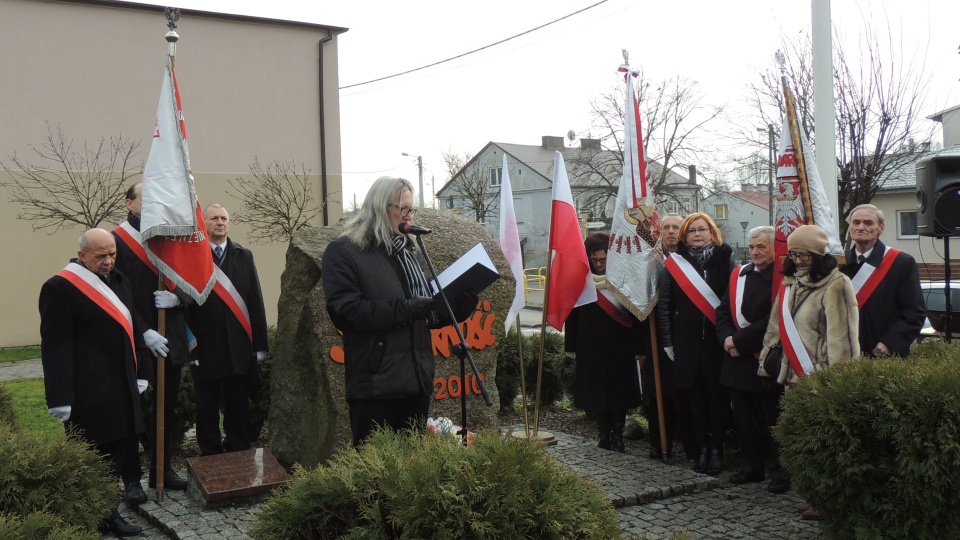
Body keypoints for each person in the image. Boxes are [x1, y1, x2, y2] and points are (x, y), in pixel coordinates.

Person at [322, 177, 478, 446]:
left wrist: (455, 309)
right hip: (375, 388)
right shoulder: (344, 252)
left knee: (412, 474)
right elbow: (346, 312)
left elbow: (422, 315)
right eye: (402, 209)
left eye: (411, 209)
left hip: (416, 383)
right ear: (381, 208)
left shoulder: (409, 253)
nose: (409, 216)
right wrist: (406, 308)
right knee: (376, 475)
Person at [39, 228, 149, 537]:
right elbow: (55, 346)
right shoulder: (59, 288)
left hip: (122, 385)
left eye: (113, 254)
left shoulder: (121, 281)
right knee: (95, 456)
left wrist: (143, 372)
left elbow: (133, 328)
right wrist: (59, 396)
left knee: (120, 451)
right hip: (88, 392)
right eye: (101, 256)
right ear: (83, 254)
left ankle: (107, 509)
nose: (109, 261)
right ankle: (105, 515)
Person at [759, 224, 860, 520]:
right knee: (803, 440)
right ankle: (814, 494)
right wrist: (766, 361)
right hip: (792, 377)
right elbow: (776, 326)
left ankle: (828, 500)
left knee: (825, 442)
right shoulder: (789, 284)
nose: (799, 260)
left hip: (821, 376)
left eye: (804, 254)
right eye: (794, 254)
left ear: (818, 254)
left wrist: (839, 379)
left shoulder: (837, 284)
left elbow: (843, 335)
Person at [112, 182, 190, 491]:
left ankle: (162, 470)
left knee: (166, 406)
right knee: (132, 410)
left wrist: (178, 299)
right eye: (146, 198)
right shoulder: (116, 241)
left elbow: (190, 278)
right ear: (129, 203)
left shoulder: (168, 239)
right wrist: (143, 330)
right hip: (133, 337)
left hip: (167, 335)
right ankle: (132, 479)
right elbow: (117, 292)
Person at [656, 212, 735, 475]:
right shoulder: (675, 264)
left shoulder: (727, 261)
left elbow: (733, 303)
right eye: (692, 231)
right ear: (684, 236)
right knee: (695, 399)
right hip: (687, 344)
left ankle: (716, 450)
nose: (698, 234)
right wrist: (668, 341)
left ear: (712, 233)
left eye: (703, 229)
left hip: (717, 343)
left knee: (717, 398)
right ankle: (701, 449)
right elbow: (665, 305)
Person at [188, 204, 268, 455]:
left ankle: (237, 446)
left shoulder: (244, 256)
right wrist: (190, 346)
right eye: (214, 218)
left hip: (237, 343)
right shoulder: (194, 257)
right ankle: (210, 449)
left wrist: (260, 345)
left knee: (237, 402)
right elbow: (187, 305)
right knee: (207, 404)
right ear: (205, 223)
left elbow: (255, 300)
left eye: (224, 218)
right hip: (206, 342)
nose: (220, 222)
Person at [716, 226, 788, 493]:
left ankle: (780, 471)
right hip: (737, 361)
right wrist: (726, 339)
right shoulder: (739, 275)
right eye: (752, 247)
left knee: (773, 420)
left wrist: (739, 341)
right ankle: (751, 467)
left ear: (774, 248)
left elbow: (775, 318)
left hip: (766, 358)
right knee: (744, 420)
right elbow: (723, 311)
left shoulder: (783, 279)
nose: (755, 252)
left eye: (761, 247)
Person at [565, 232, 642, 453]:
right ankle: (603, 434)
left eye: (603, 260)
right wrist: (571, 345)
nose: (598, 264)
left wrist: (640, 347)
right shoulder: (581, 278)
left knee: (619, 392)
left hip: (621, 344)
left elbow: (637, 314)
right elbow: (573, 313)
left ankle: (618, 435)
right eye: (594, 259)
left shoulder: (625, 277)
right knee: (596, 392)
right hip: (590, 344)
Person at [839, 204, 925, 358]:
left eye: (868, 223)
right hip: (844, 353)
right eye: (856, 222)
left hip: (883, 355)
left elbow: (914, 313)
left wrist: (889, 343)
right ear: (850, 227)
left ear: (881, 228)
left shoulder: (901, 262)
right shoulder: (838, 263)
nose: (861, 227)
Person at [641, 213, 689, 460]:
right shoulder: (652, 261)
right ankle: (660, 442)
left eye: (676, 227)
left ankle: (689, 442)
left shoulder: (690, 258)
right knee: (659, 393)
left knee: (687, 393)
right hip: (657, 339)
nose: (670, 231)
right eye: (666, 227)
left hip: (687, 336)